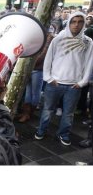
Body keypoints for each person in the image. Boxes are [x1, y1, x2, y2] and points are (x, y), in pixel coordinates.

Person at [35, 12, 93, 146]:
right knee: (47, 110)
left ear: (84, 24)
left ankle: (63, 134)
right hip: (54, 83)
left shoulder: (88, 42)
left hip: (74, 85)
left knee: (68, 114)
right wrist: (48, 78)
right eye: (73, 21)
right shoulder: (58, 39)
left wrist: (82, 82)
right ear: (69, 22)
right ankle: (41, 130)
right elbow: (49, 59)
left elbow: (89, 62)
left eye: (80, 22)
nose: (76, 24)